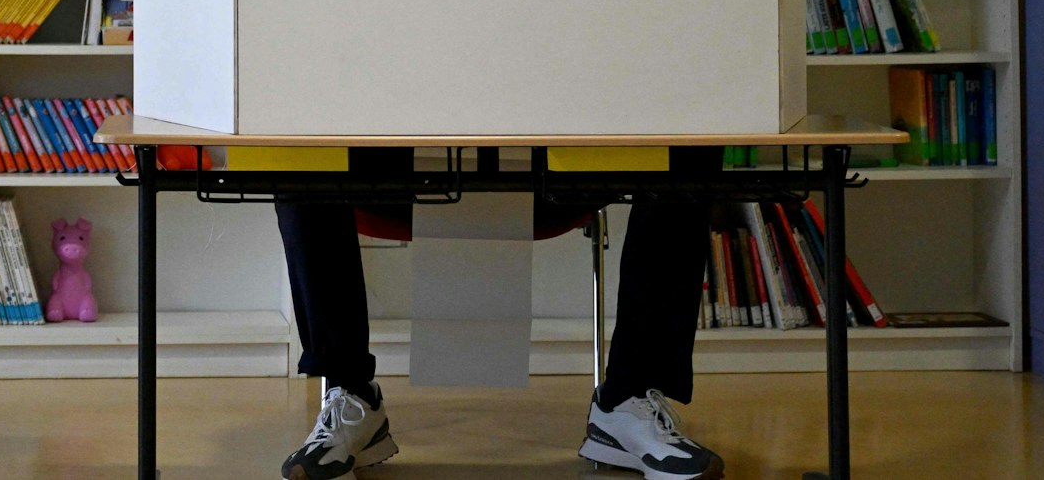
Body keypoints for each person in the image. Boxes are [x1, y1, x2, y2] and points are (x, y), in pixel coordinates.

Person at [277, 147, 724, 480]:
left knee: (691, 143)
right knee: (293, 140)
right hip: (399, 163)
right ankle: (350, 394)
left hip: (556, 163)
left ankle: (626, 402)